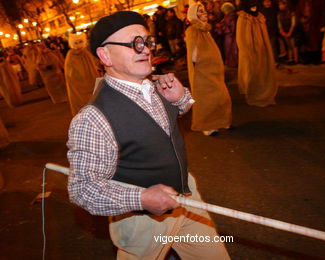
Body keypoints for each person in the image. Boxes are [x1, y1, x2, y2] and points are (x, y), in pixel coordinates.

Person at [67, 11, 230, 259]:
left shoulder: (154, 84)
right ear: (105, 55)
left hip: (186, 198)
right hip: (143, 223)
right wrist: (142, 198)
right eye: (134, 43)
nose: (145, 50)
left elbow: (163, 124)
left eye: (147, 41)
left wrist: (181, 100)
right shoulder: (92, 118)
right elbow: (83, 189)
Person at [185, 3, 232, 136]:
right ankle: (207, 125)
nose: (204, 13)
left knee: (221, 97)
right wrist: (203, 61)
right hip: (203, 71)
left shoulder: (205, 29)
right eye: (200, 11)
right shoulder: (193, 30)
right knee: (207, 100)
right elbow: (193, 54)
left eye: (204, 10)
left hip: (214, 70)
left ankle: (222, 121)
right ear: (194, 15)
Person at [236, 0, 278, 107]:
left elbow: (264, 34)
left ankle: (261, 91)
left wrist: (266, 49)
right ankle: (251, 93)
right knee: (250, 72)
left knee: (261, 72)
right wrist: (246, 51)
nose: (254, 7)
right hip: (249, 50)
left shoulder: (260, 17)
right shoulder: (243, 17)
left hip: (261, 50)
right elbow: (240, 36)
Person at [64, 32, 102, 116]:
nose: (78, 45)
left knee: (94, 98)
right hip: (78, 83)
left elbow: (93, 63)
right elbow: (69, 72)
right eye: (76, 43)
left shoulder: (86, 52)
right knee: (81, 101)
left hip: (91, 79)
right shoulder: (70, 55)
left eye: (80, 42)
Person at [217, 1, 238, 67]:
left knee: (230, 50)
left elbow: (232, 28)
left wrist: (221, 27)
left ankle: (232, 63)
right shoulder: (229, 17)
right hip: (229, 36)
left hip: (230, 36)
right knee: (229, 50)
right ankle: (231, 62)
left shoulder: (231, 17)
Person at [277, 0, 299, 65]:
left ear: (285, 5)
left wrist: (290, 32)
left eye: (281, 5)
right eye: (279, 5)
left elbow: (293, 24)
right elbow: (279, 24)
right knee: (288, 46)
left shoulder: (291, 13)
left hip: (292, 31)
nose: (280, 6)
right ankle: (290, 59)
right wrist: (282, 32)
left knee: (293, 45)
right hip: (284, 32)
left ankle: (296, 60)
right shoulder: (279, 14)